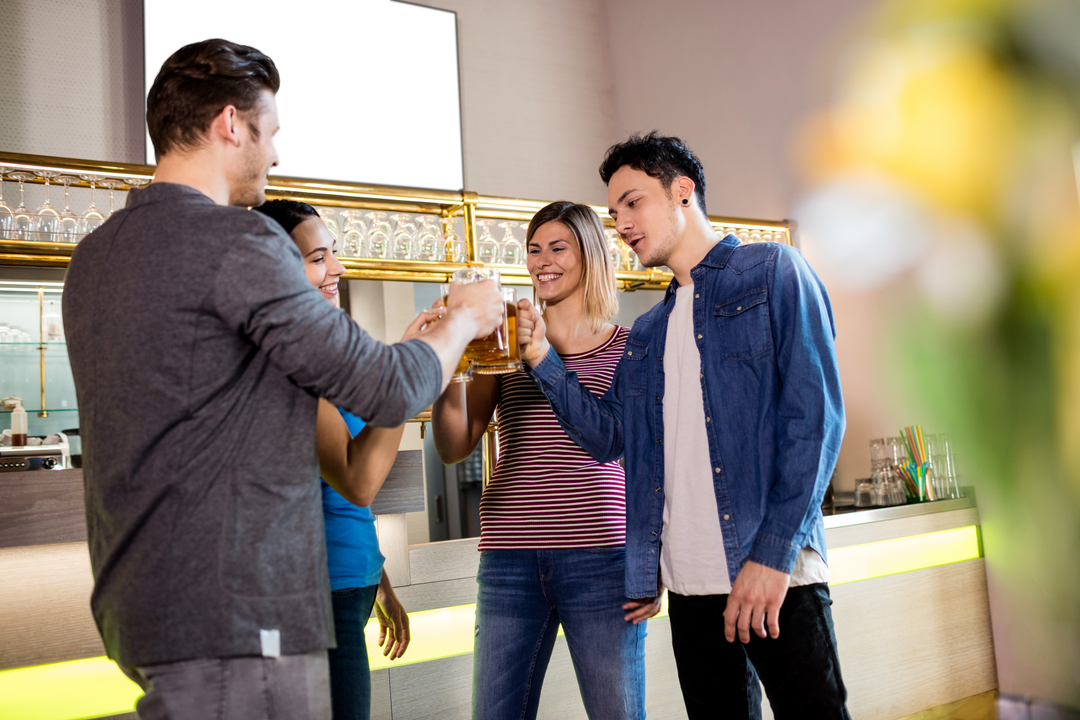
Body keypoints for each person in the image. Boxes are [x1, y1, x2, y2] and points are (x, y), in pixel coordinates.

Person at [62, 36, 503, 720]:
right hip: (243, 608)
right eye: (271, 133)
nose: (277, 155)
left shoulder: (95, 255)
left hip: (142, 605)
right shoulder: (240, 241)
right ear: (229, 124)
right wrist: (464, 321)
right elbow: (386, 388)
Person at [517, 133, 850, 719]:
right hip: (692, 590)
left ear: (682, 192)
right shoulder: (648, 331)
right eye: (614, 209)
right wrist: (544, 361)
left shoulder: (773, 272)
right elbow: (610, 438)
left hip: (777, 577)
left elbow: (816, 420)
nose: (620, 222)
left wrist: (772, 557)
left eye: (632, 201)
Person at [431, 201, 651, 720]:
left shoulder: (630, 347)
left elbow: (613, 444)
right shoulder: (500, 347)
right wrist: (450, 358)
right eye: (534, 250)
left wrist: (543, 361)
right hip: (510, 557)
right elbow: (453, 444)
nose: (542, 261)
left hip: (602, 556)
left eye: (558, 248)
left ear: (590, 256)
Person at [253, 199, 414, 720]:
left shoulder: (316, 352)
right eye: (319, 257)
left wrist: (380, 582)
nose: (337, 269)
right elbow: (355, 482)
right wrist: (408, 369)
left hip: (349, 587)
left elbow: (339, 493)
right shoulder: (287, 361)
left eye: (335, 254)